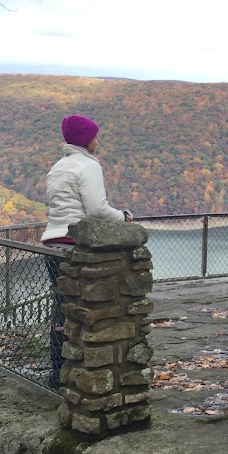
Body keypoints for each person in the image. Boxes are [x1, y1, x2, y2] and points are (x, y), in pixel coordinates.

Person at [41, 114, 133, 388]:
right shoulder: (89, 166)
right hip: (76, 245)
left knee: (62, 307)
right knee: (90, 310)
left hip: (52, 243)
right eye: (94, 136)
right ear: (86, 140)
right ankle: (87, 370)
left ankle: (58, 370)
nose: (97, 140)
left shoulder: (58, 166)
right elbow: (96, 210)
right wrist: (123, 217)